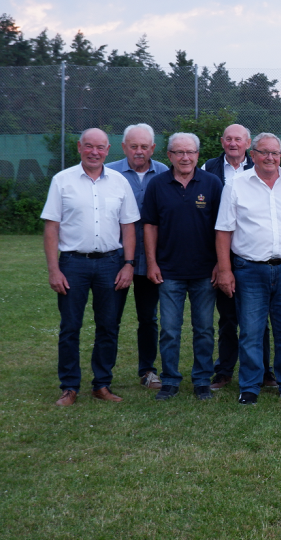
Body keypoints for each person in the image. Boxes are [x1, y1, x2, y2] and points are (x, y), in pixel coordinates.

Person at [41, 128, 139, 406]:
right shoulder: (62, 181)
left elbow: (128, 227)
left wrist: (129, 264)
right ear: (79, 147)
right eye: (89, 146)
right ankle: (69, 387)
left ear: (108, 150)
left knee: (108, 326)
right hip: (73, 264)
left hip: (111, 264)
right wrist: (53, 269)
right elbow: (51, 227)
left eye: (100, 147)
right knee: (70, 327)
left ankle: (102, 385)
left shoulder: (119, 182)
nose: (94, 152)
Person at [214, 133, 281, 405]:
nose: (270, 158)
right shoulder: (236, 185)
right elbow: (223, 231)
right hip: (249, 270)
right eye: (264, 152)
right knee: (251, 330)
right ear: (253, 154)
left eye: (275, 153)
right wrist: (225, 270)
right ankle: (250, 386)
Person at [141, 133, 223, 401]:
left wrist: (220, 264)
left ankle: (202, 380)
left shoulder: (212, 183)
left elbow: (222, 228)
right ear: (169, 155)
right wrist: (152, 263)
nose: (185, 157)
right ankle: (170, 380)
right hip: (169, 272)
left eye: (190, 152)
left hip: (205, 271)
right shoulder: (157, 184)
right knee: (169, 330)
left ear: (198, 155)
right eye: (179, 152)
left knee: (204, 330)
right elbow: (150, 225)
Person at [203, 125, 276, 390]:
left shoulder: (261, 166)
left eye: (238, 139)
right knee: (227, 317)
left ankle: (265, 372)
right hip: (223, 254)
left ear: (248, 144)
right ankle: (224, 370)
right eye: (229, 139)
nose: (233, 143)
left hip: (253, 255)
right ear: (222, 142)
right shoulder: (209, 168)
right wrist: (219, 262)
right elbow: (213, 218)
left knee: (258, 319)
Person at [106, 123, 168, 390]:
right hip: (115, 260)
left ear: (153, 148)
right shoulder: (109, 173)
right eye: (134, 146)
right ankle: (103, 377)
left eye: (144, 146)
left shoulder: (165, 173)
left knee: (148, 318)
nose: (139, 151)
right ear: (124, 147)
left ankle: (148, 371)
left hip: (151, 260)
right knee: (110, 319)